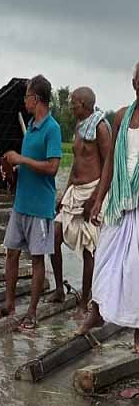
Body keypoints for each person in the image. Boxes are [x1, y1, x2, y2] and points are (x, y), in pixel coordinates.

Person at [0, 75, 62, 328]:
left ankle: (32, 312)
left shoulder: (52, 128)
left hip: (40, 207)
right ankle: (9, 304)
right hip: (21, 203)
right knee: (11, 253)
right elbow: (29, 164)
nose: (24, 100)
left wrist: (21, 160)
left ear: (37, 99)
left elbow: (52, 167)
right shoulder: (30, 125)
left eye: (27, 96)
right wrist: (13, 170)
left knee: (37, 259)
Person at [78, 62, 139, 352]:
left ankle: (137, 331)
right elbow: (111, 160)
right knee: (104, 257)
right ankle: (97, 310)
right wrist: (99, 198)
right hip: (119, 199)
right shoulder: (122, 116)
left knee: (136, 268)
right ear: (134, 83)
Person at [47, 87, 111, 316]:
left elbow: (108, 165)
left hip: (92, 192)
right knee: (53, 236)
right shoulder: (79, 126)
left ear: (83, 104)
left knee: (88, 250)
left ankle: (84, 302)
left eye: (73, 102)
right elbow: (76, 163)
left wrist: (95, 199)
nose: (70, 105)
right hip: (74, 192)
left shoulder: (100, 128)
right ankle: (59, 289)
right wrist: (65, 193)